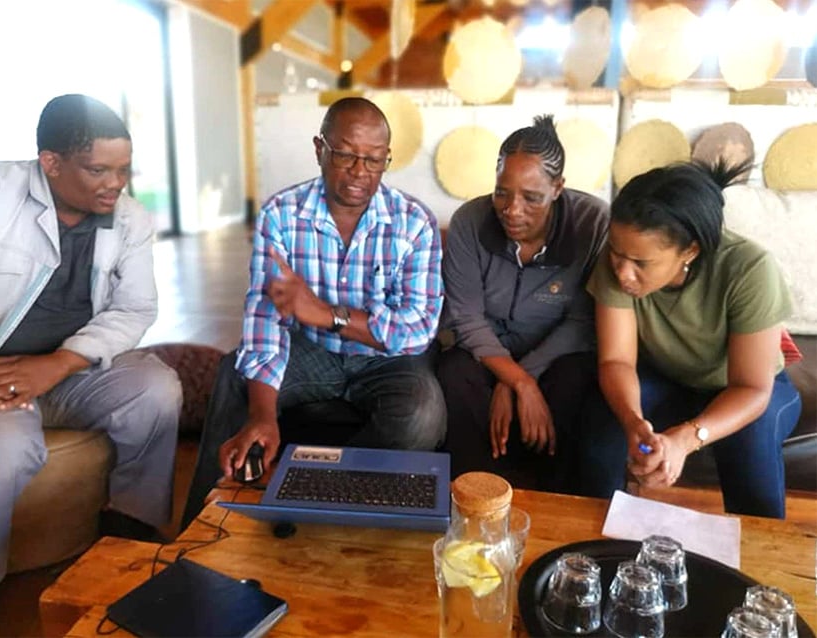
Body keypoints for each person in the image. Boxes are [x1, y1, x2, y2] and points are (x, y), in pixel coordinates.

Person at [0, 94, 181, 632]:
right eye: (99, 170)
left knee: (157, 388)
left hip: (72, 370)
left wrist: (59, 362)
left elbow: (135, 308)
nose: (116, 184)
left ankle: (131, 531)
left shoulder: (130, 219)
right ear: (51, 163)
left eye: (124, 169)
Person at [182, 97, 445, 527]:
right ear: (319, 148)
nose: (360, 171)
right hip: (311, 352)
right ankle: (201, 527)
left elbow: (417, 330)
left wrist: (326, 313)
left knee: (423, 411)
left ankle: (330, 507)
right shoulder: (281, 214)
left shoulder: (414, 221)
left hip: (387, 361)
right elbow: (264, 319)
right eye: (345, 154)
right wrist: (262, 416)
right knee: (235, 373)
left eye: (375, 160)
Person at [580, 161, 802, 518]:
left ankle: (760, 562)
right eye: (616, 254)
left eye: (640, 262)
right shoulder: (617, 262)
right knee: (602, 423)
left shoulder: (748, 269)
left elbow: (751, 388)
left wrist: (685, 439)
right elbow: (616, 362)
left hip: (748, 388)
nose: (622, 272)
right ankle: (589, 543)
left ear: (690, 251)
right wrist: (634, 423)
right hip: (668, 378)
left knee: (749, 442)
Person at [436, 115, 609, 491]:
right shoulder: (470, 221)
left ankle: (552, 498)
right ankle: (472, 495)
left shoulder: (593, 223)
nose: (512, 210)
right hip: (486, 353)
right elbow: (465, 317)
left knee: (577, 378)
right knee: (453, 372)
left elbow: (581, 323)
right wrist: (517, 381)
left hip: (554, 355)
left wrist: (519, 380)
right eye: (502, 192)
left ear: (558, 188)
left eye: (532, 198)